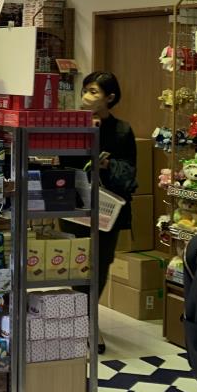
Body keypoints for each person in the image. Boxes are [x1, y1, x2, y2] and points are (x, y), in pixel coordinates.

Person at [61, 71, 138, 354]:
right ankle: (82, 320)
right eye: (85, 90)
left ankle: (88, 318)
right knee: (77, 262)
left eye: (93, 91)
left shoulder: (122, 130)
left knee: (101, 262)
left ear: (110, 98)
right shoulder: (72, 124)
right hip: (75, 203)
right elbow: (63, 162)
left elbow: (129, 172)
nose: (86, 96)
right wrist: (85, 135)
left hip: (108, 208)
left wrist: (108, 164)